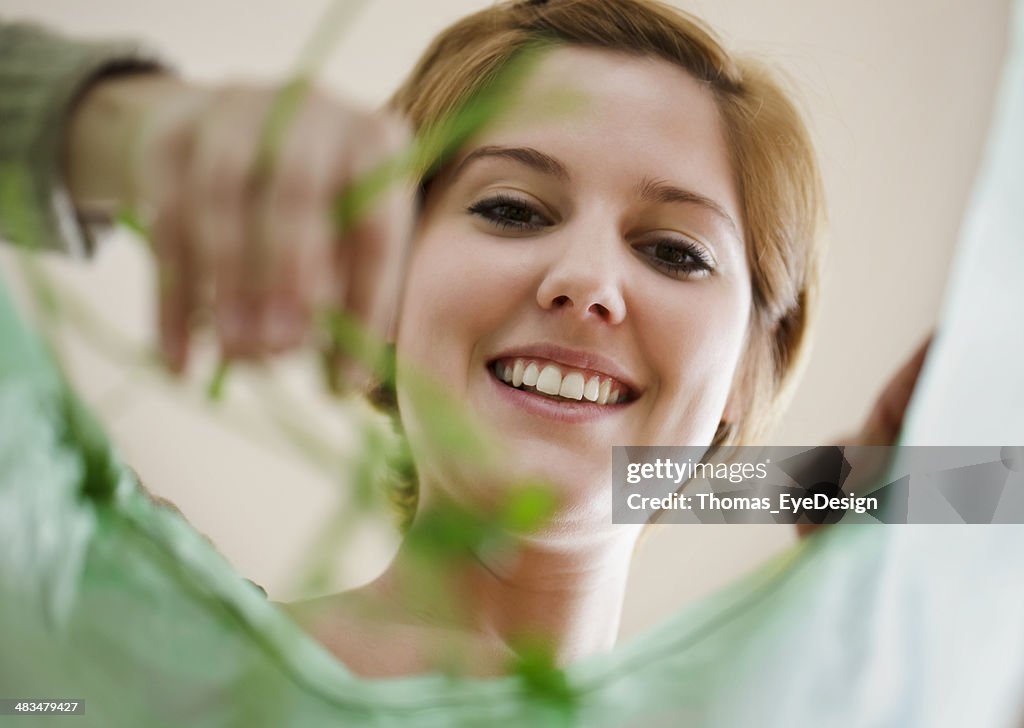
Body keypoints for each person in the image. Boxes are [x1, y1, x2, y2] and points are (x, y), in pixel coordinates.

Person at [0, 0, 926, 679]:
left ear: (747, 375)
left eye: (675, 253)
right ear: (379, 284)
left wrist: (936, 527)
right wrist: (113, 129)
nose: (588, 284)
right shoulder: (146, 645)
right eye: (513, 209)